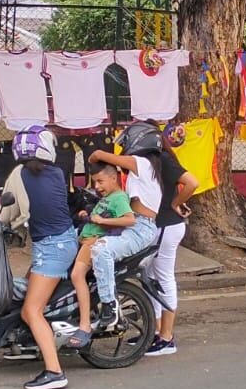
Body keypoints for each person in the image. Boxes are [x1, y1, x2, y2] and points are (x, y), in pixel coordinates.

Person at [4, 126, 80, 389]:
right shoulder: (57, 173)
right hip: (61, 242)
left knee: (30, 310)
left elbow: (8, 209)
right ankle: (29, 342)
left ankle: (54, 372)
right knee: (25, 293)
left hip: (51, 248)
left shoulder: (19, 174)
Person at [87, 123, 165, 334]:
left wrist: (97, 156)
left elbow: (103, 156)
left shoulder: (143, 163)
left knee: (101, 250)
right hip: (137, 226)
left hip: (140, 229)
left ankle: (110, 308)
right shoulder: (144, 170)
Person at [67, 162, 134, 348]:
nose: (97, 186)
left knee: (76, 275)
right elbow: (100, 214)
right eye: (95, 182)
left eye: (100, 181)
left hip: (93, 241)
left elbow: (129, 219)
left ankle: (84, 325)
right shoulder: (108, 197)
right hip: (84, 239)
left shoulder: (119, 197)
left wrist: (103, 220)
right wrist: (87, 213)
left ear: (114, 178)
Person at [146, 135, 199, 358]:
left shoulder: (164, 159)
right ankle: (154, 333)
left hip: (167, 226)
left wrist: (174, 203)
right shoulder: (149, 160)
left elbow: (192, 182)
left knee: (164, 277)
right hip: (159, 226)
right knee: (150, 276)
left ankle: (167, 337)